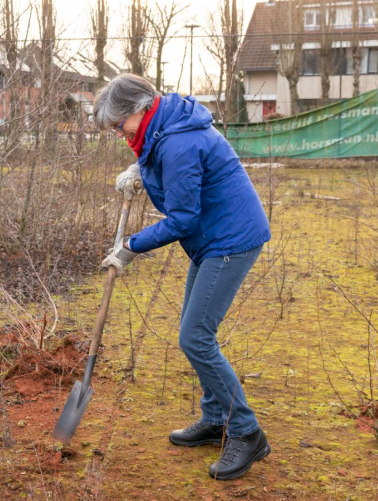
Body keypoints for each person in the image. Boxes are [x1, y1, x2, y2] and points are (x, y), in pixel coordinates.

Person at [94, 74, 271, 480]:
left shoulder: (178, 142)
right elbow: (157, 150)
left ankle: (246, 432)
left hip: (230, 239)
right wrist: (138, 166)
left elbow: (183, 219)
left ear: (138, 109)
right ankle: (215, 419)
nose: (120, 134)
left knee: (195, 336)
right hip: (215, 238)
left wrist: (130, 247)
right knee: (193, 334)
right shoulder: (165, 125)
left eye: (119, 126)